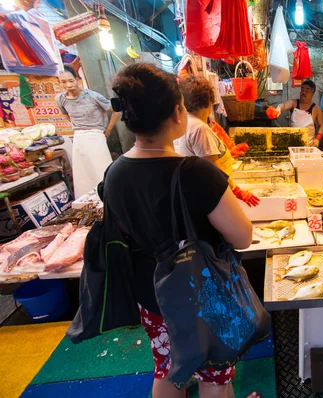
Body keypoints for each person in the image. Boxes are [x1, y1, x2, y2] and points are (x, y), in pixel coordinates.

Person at [102, 63, 258, 398]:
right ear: (177, 111)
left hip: (152, 293)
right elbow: (243, 237)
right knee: (214, 375)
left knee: (169, 367)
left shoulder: (114, 173)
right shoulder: (196, 173)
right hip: (203, 293)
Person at [176, 76, 259, 207]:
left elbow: (201, 157)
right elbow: (213, 168)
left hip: (196, 193)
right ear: (208, 102)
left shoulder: (185, 123)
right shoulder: (199, 128)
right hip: (210, 195)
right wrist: (238, 191)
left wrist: (228, 153)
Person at [55, 65, 120, 198]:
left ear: (76, 79)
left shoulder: (92, 96)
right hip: (78, 136)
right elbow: (66, 114)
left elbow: (116, 111)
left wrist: (107, 130)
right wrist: (77, 126)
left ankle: (110, 199)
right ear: (59, 83)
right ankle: (87, 202)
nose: (68, 85)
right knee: (83, 174)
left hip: (96, 135)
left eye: (71, 80)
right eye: (63, 82)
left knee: (102, 170)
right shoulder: (60, 99)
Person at [273, 80, 323, 147]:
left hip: (309, 145)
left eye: (307, 90)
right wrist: (279, 108)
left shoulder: (316, 109)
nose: (303, 92)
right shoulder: (294, 103)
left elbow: (321, 125)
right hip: (293, 144)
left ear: (312, 93)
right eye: (302, 89)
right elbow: (284, 105)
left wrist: (318, 139)